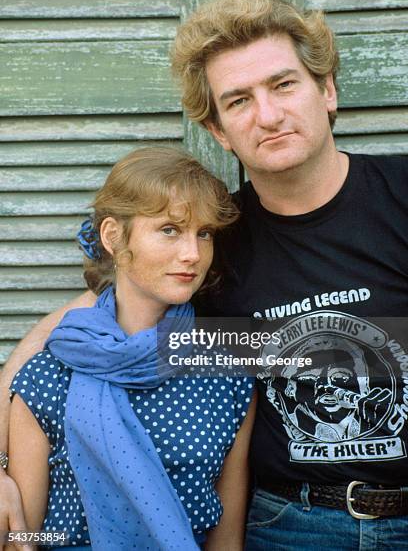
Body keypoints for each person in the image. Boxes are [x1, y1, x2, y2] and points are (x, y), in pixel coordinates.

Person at [1, 0, 408, 549]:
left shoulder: (401, 193)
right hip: (287, 525)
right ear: (218, 130)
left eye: (284, 84)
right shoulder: (212, 241)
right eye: (238, 100)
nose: (268, 114)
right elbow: (77, 330)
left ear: (328, 89)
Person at [5, 147, 255, 551]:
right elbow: (24, 535)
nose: (192, 253)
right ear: (113, 237)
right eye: (170, 230)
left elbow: (226, 537)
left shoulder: (225, 371)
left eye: (203, 233)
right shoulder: (45, 379)